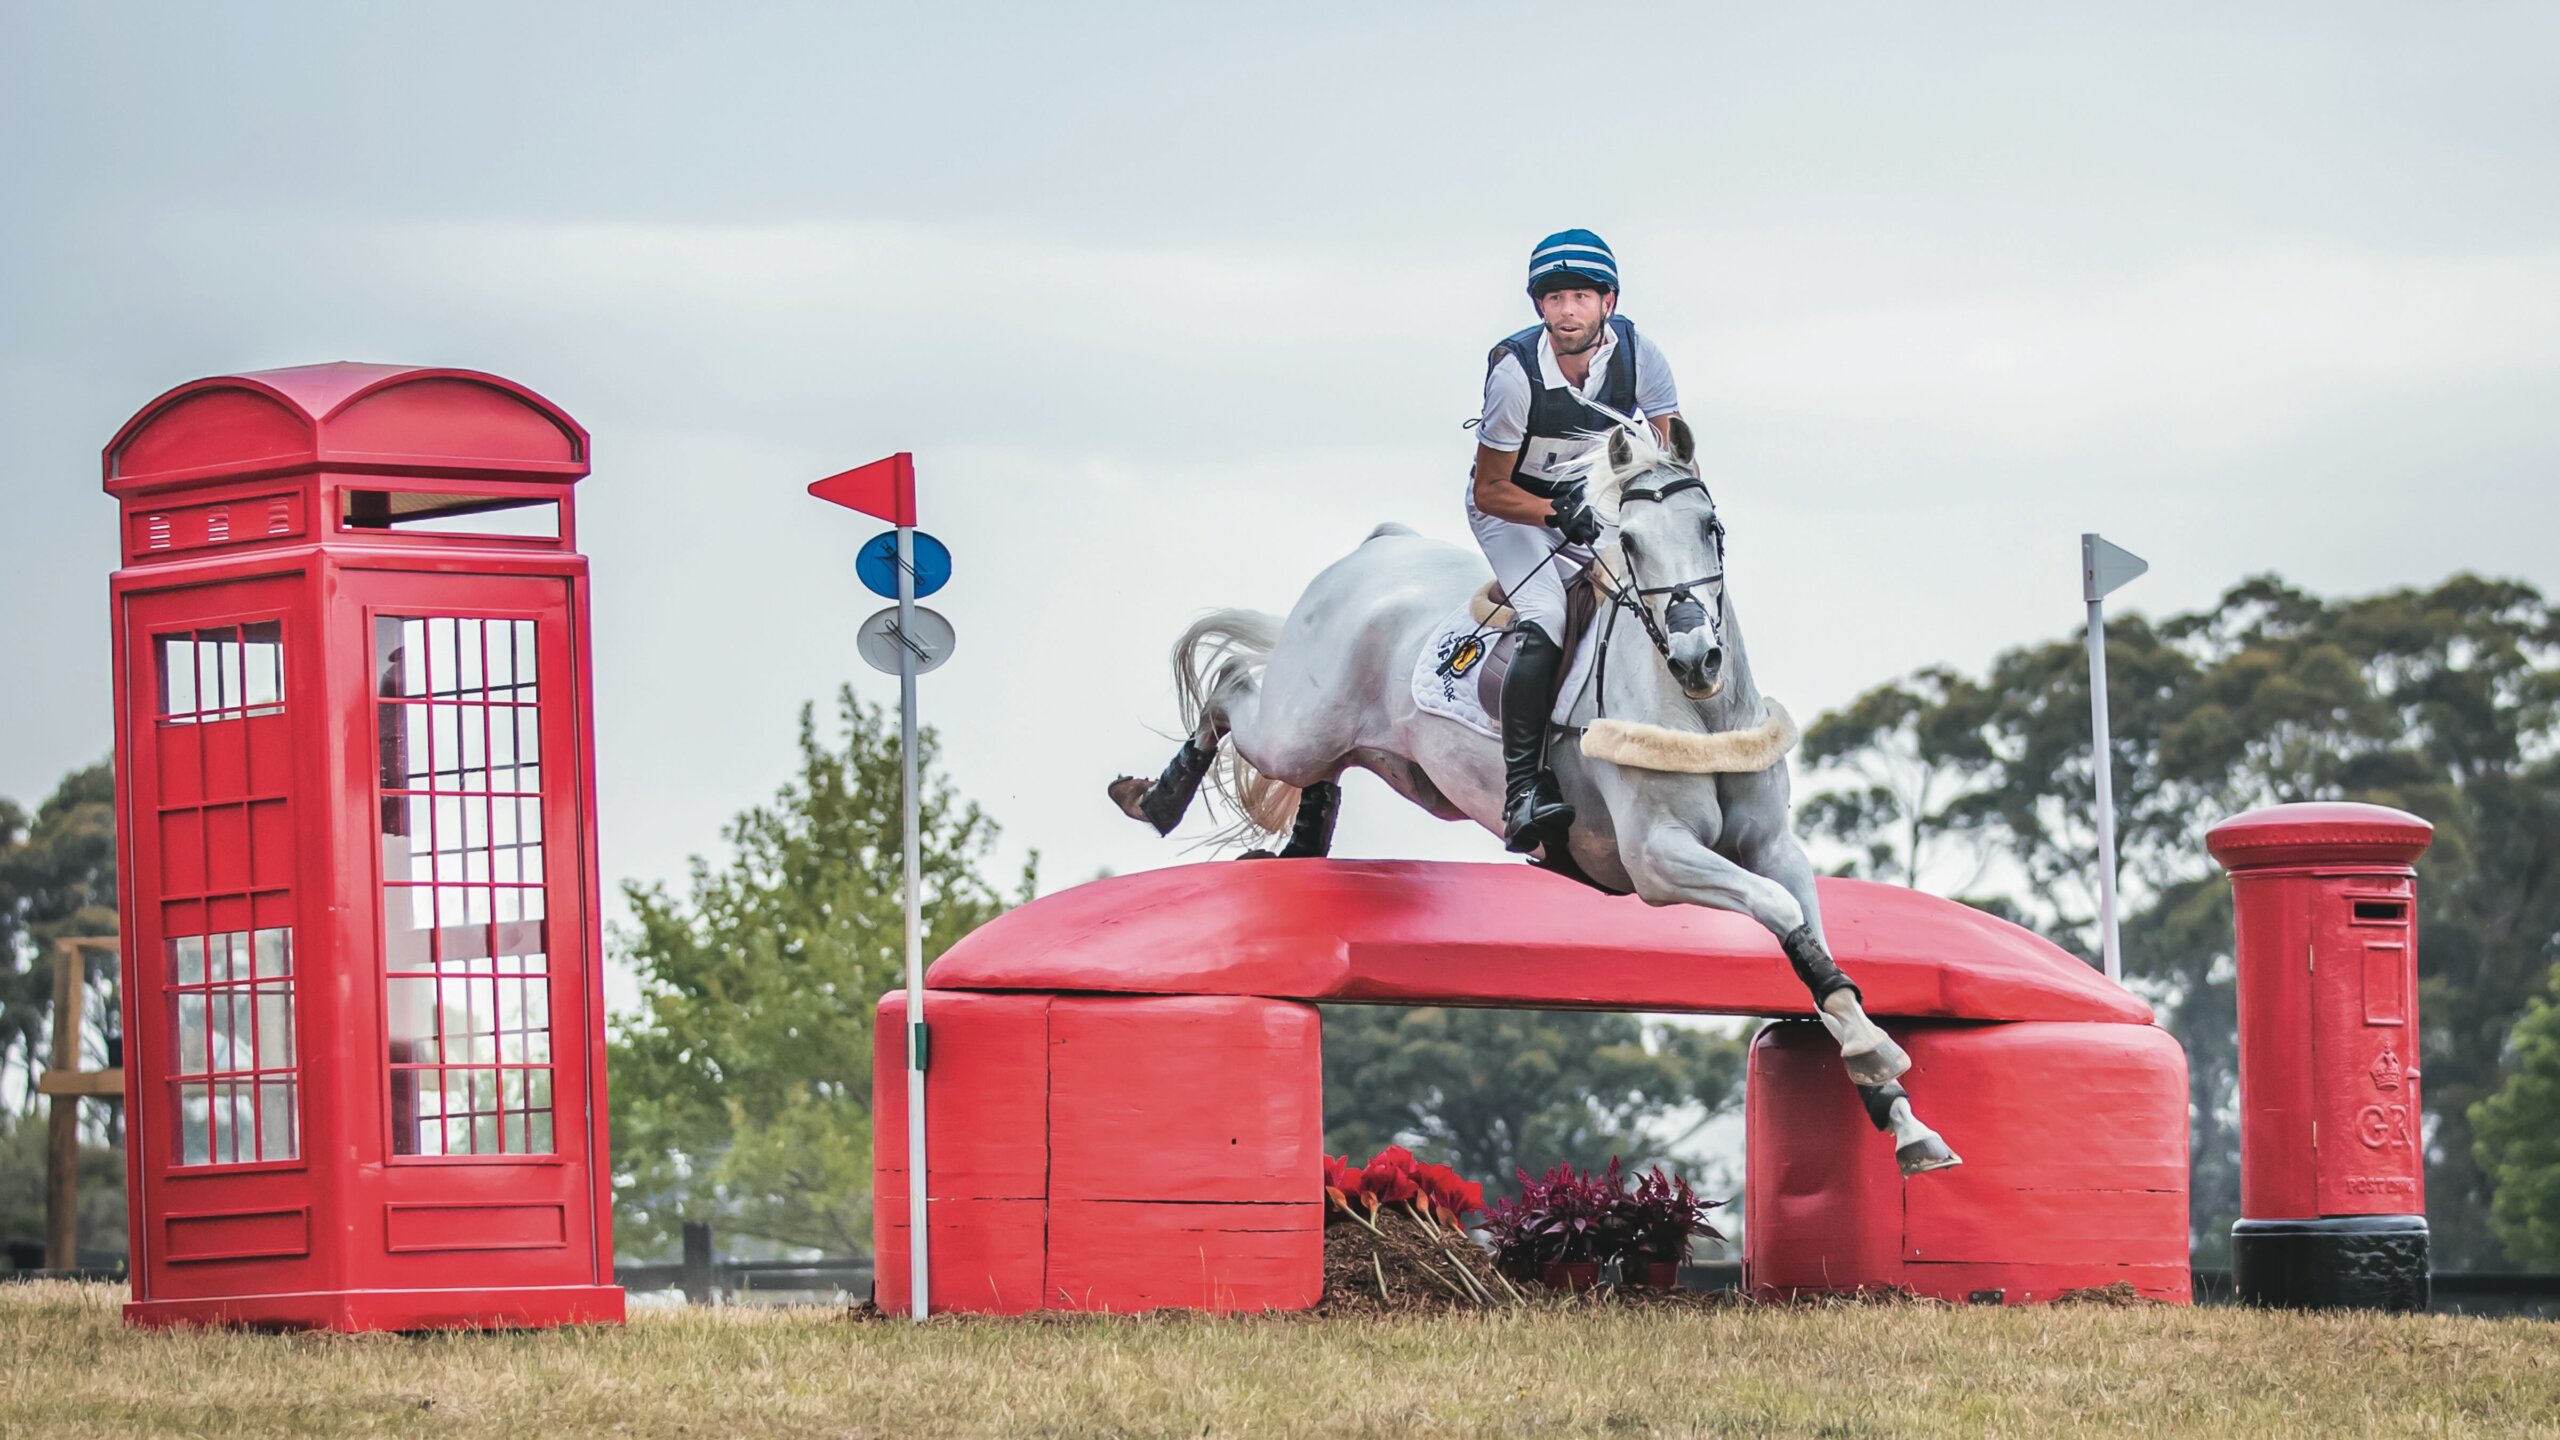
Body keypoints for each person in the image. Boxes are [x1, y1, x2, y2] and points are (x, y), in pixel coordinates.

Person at [1469, 228, 1682, 854]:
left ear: (1607, 302)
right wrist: (1555, 515)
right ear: (1539, 305)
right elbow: (1490, 490)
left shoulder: (1642, 358)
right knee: (1547, 615)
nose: (1567, 312)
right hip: (1515, 513)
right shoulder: (1515, 375)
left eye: (1581, 298)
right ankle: (1522, 789)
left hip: (1591, 508)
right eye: (1555, 298)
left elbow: (1671, 455)